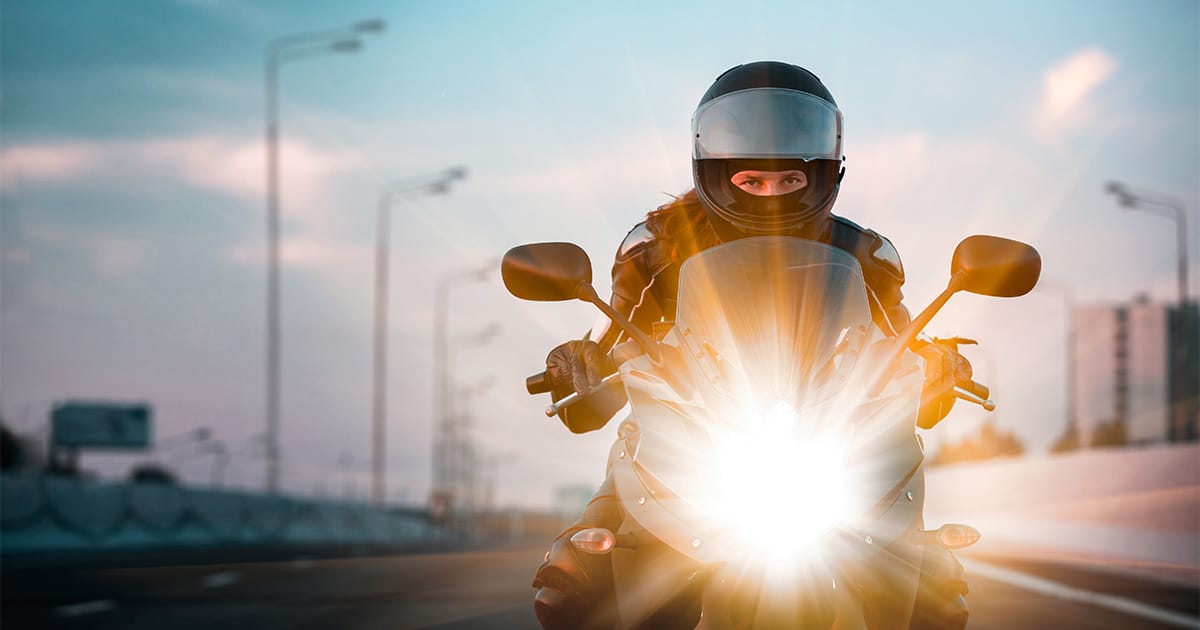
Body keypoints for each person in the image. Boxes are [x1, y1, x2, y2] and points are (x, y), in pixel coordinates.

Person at [531, 61, 972, 630]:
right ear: (715, 175)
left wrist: (937, 364)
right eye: (751, 181)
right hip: (679, 445)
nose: (772, 195)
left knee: (934, 593)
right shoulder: (656, 246)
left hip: (832, 447)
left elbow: (898, 347)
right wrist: (578, 364)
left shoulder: (866, 254)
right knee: (577, 586)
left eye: (789, 180)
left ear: (823, 176)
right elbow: (613, 339)